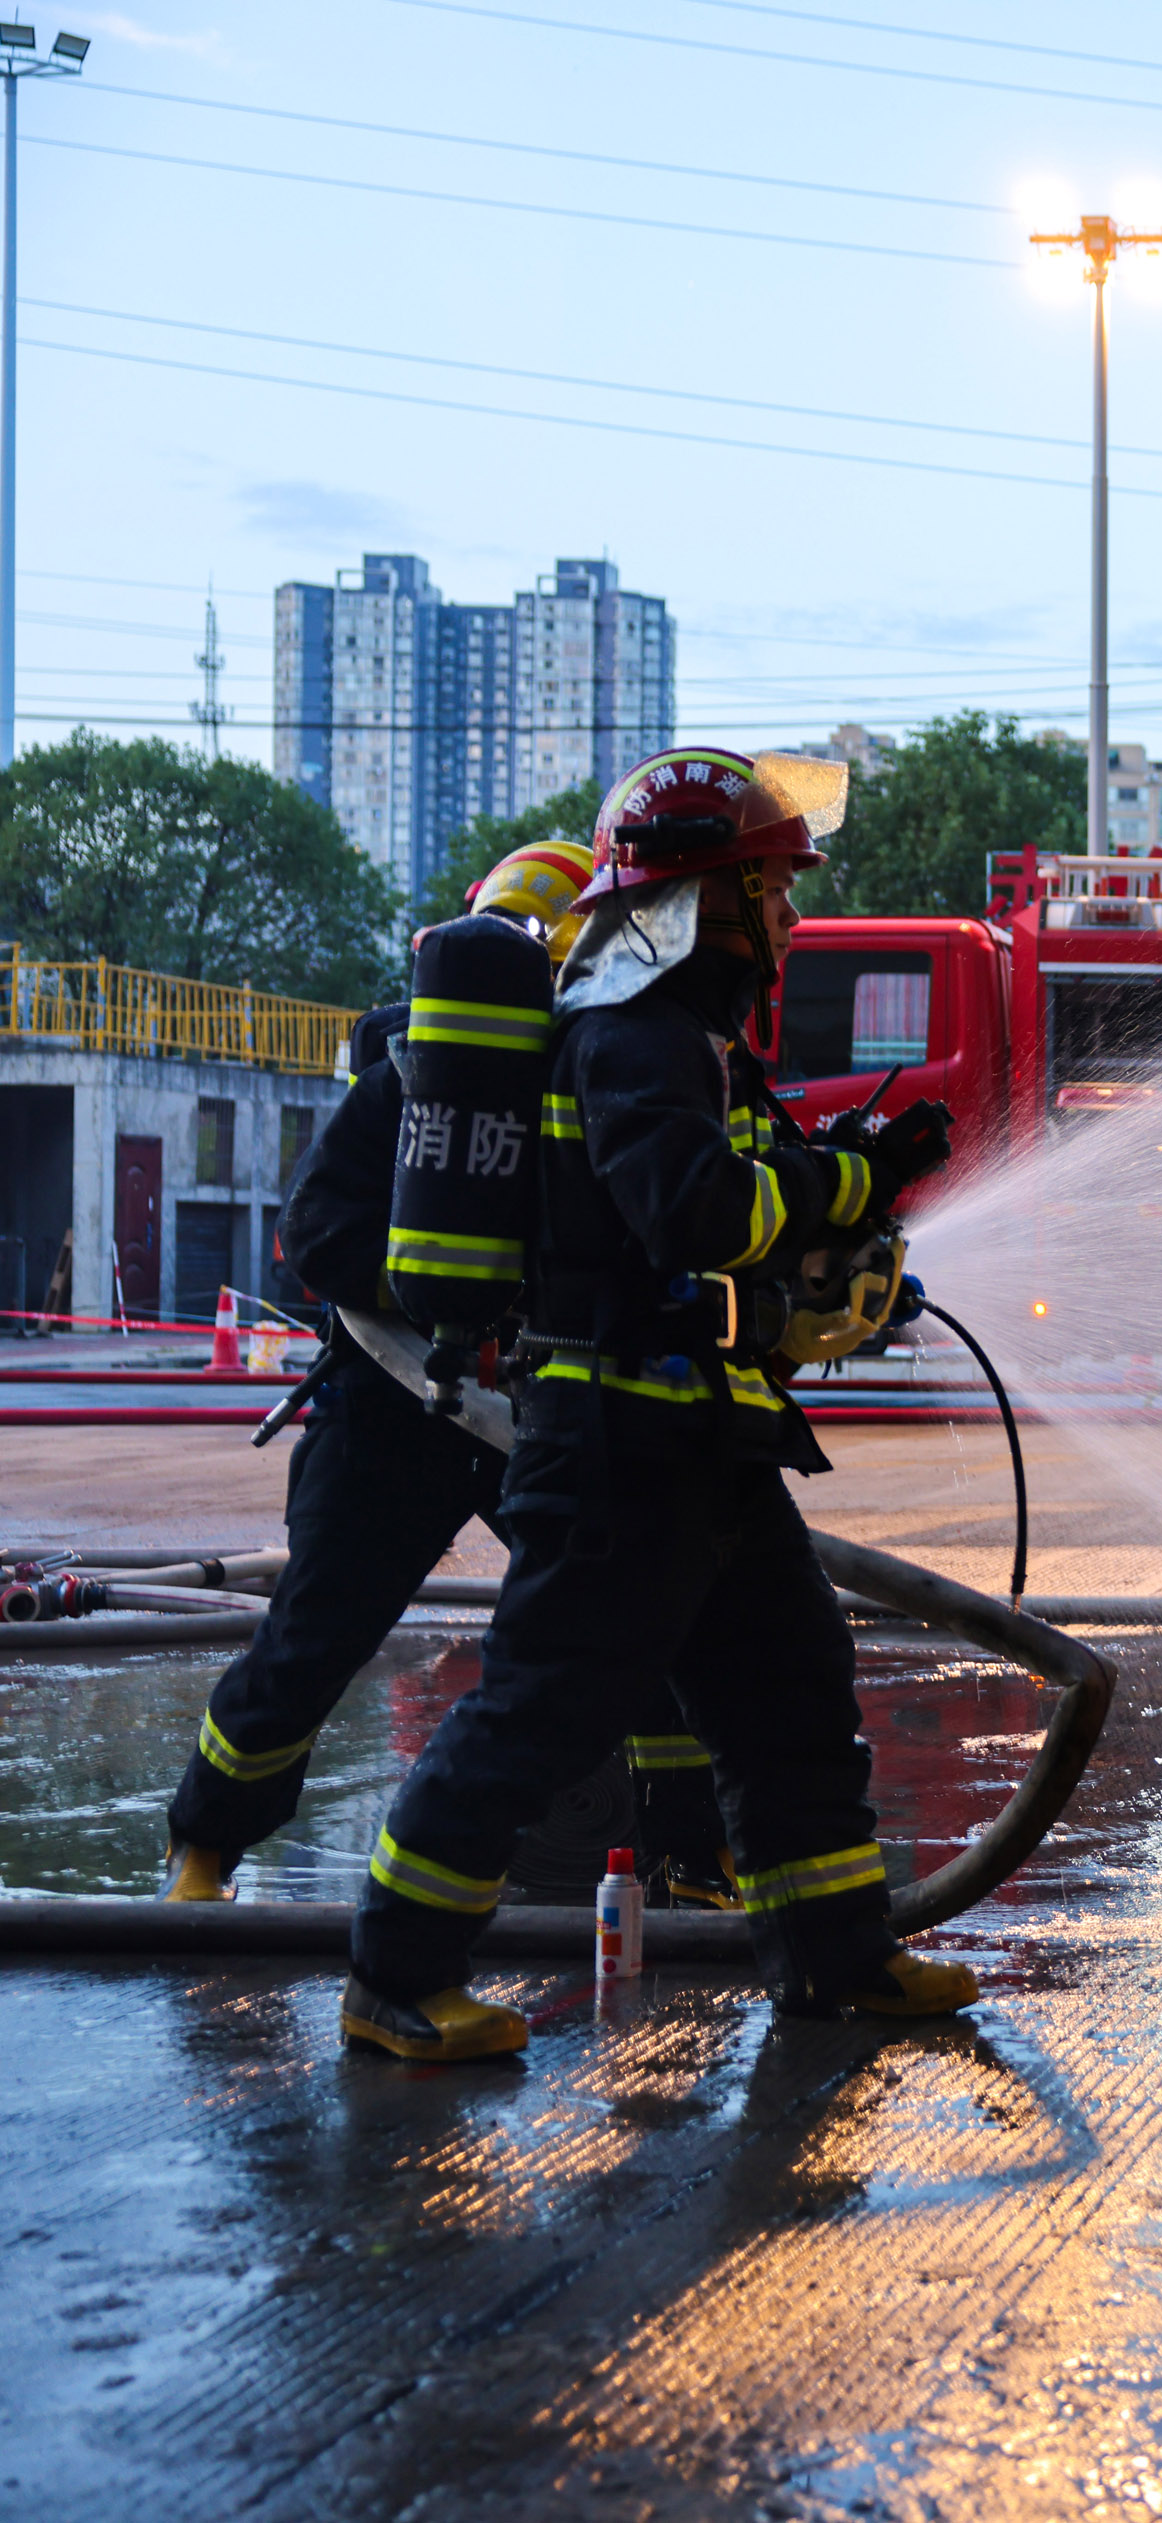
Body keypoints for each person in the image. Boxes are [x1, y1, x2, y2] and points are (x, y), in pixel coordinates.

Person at [340, 747, 960, 2062]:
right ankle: (394, 1975)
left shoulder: (687, 1035)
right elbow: (691, 1210)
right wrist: (842, 1191)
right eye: (770, 890)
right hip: (619, 1448)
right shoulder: (630, 1029)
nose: (789, 918)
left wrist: (845, 1167)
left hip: (703, 1443)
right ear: (704, 896)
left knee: (792, 1694)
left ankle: (834, 1960)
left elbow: (727, 1183)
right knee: (543, 1709)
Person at [162, 836, 736, 1906]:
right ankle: (205, 1850)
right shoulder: (417, 1079)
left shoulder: (600, 1073)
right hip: (403, 1403)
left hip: (540, 1408)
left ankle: (689, 1859)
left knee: (642, 1620)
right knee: (318, 1634)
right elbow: (324, 1238)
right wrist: (455, 1305)